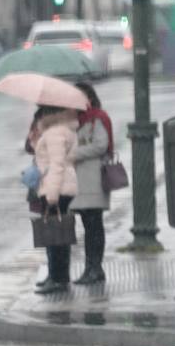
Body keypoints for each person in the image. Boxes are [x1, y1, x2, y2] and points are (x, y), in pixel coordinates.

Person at [29, 104, 80, 295]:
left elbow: (57, 164)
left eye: (41, 113)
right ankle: (56, 276)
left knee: (55, 236)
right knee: (58, 234)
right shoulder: (59, 131)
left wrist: (52, 195)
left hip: (56, 187)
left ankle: (58, 278)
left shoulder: (55, 133)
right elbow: (49, 159)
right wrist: (37, 143)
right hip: (61, 186)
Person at [72, 82, 113, 285]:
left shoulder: (97, 118)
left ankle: (95, 267)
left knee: (94, 224)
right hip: (81, 182)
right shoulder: (75, 120)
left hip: (94, 179)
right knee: (88, 225)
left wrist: (74, 153)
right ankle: (91, 268)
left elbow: (101, 145)